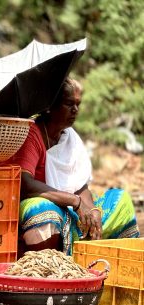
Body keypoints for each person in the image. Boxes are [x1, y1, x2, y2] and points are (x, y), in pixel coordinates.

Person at [11, 77, 139, 255]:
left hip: (70, 209)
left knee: (121, 200)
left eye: (78, 104)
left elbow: (80, 185)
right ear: (50, 106)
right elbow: (24, 183)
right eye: (69, 104)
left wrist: (92, 210)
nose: (75, 110)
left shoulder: (70, 137)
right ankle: (46, 267)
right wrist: (75, 202)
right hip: (44, 205)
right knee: (41, 210)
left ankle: (109, 261)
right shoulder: (33, 133)